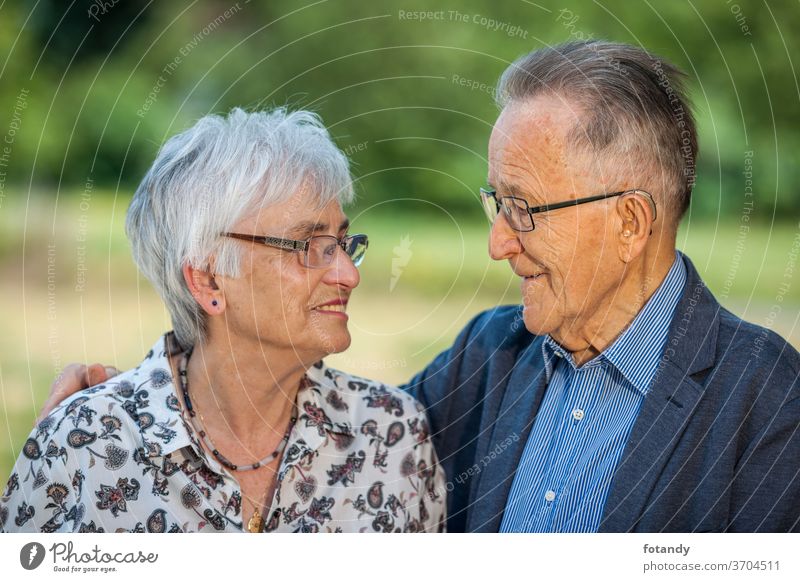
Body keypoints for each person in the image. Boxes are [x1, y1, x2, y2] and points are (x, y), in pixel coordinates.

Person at [25, 41, 800, 533]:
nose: (499, 243)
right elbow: (305, 421)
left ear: (630, 222)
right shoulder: (488, 358)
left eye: (524, 210)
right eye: (499, 206)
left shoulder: (768, 404)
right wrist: (139, 406)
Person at [0, 108, 445, 533]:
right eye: (309, 246)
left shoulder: (391, 434)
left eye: (343, 242)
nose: (349, 274)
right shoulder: (86, 445)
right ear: (209, 280)